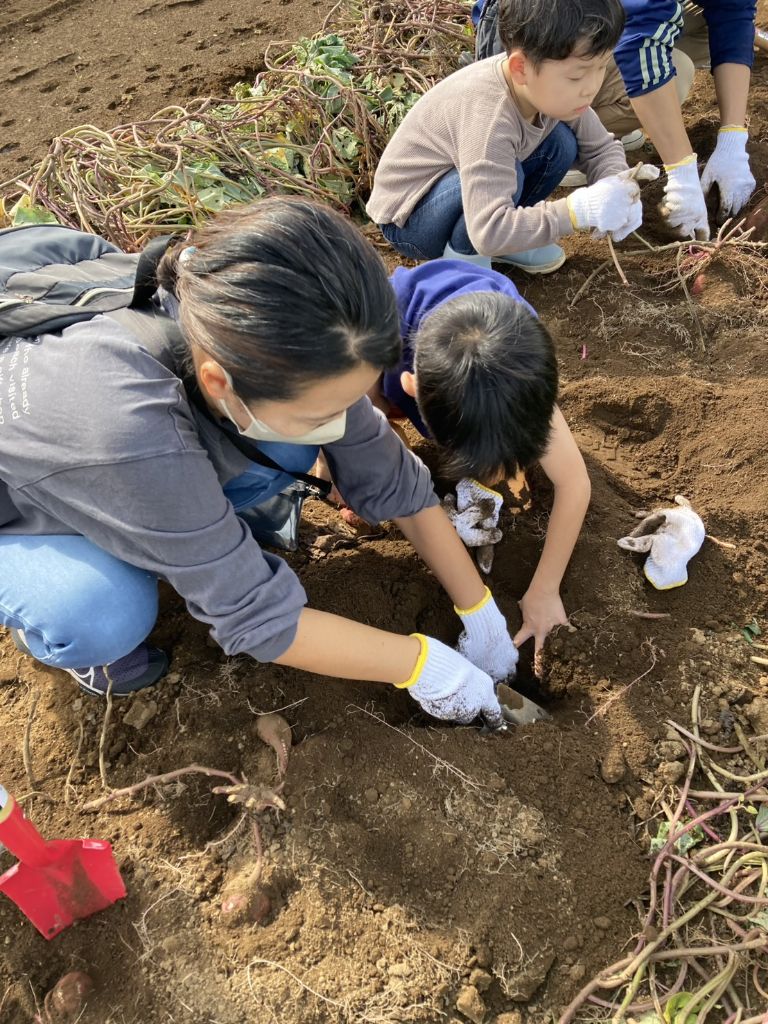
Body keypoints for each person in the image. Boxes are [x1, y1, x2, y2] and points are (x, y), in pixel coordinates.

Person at [0, 198, 526, 728]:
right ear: (217, 384)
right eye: (326, 409)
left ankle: (176, 523)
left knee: (289, 444)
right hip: (25, 494)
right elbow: (260, 620)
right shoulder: (126, 430)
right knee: (100, 611)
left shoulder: (262, 324)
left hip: (110, 438)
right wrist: (425, 667)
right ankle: (59, 624)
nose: (353, 417)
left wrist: (478, 610)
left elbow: (394, 479)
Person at [371, 259, 591, 659]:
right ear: (412, 388)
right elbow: (348, 418)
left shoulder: (520, 374)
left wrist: (544, 589)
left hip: (484, 342)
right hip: (384, 358)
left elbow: (575, 483)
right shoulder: (370, 349)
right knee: (366, 440)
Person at [366, 0, 659, 276]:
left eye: (600, 68)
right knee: (510, 176)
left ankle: (512, 242)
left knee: (560, 143)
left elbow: (600, 148)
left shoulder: (548, 89)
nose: (591, 87)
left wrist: (617, 184)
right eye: (577, 76)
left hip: (462, 198)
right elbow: (488, 228)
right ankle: (465, 265)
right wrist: (575, 211)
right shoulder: (490, 116)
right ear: (521, 68)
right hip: (411, 220)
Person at [474, 0, 757, 237]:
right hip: (531, 31)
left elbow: (733, 11)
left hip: (593, 17)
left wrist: (733, 138)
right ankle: (552, 140)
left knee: (698, 38)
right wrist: (682, 174)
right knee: (675, 70)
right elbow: (641, 37)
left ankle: (596, 119)